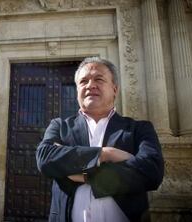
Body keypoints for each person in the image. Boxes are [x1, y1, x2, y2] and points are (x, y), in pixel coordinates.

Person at [36, 57, 164, 222]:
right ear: (77, 91)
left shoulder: (138, 129)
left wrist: (86, 176)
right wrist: (105, 154)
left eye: (99, 79)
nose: (90, 85)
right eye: (83, 81)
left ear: (115, 89)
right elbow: (45, 159)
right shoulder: (59, 126)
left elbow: (151, 171)